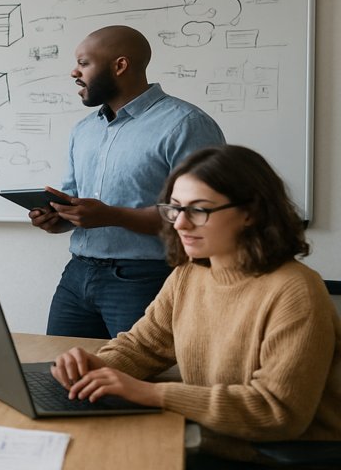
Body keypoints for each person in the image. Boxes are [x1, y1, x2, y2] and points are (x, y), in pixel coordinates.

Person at [50, 145, 341, 463]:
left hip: (278, 455)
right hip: (207, 436)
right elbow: (143, 346)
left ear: (251, 212)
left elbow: (276, 412)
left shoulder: (295, 291)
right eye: (174, 208)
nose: (180, 224)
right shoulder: (189, 273)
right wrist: (99, 367)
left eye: (199, 210)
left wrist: (153, 393)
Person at [31, 25, 224, 338]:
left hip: (146, 279)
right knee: (63, 377)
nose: (73, 72)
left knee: (137, 382)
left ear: (120, 66)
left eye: (83, 63)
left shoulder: (185, 124)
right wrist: (59, 218)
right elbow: (76, 198)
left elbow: (203, 215)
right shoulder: (84, 130)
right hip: (78, 274)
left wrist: (112, 215)